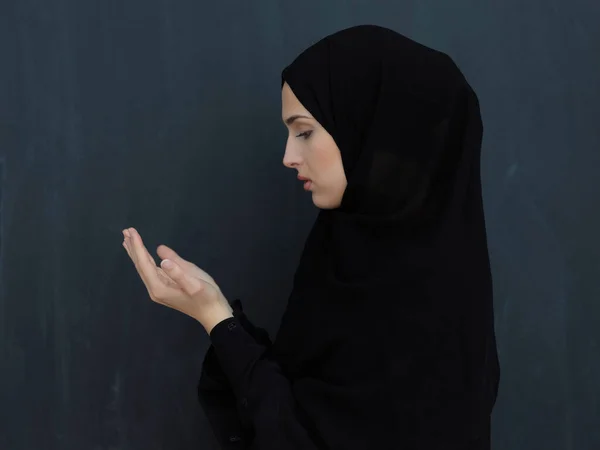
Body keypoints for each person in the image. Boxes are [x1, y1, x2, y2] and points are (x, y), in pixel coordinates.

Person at [122, 24, 500, 450]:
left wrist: (216, 320)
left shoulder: (431, 306)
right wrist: (215, 312)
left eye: (304, 131)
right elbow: (295, 409)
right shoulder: (342, 252)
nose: (288, 156)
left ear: (370, 128)